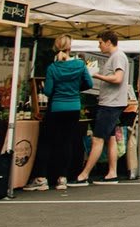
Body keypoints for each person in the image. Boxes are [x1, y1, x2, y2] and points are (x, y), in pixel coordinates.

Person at [25, 36, 93, 192]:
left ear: (55, 48)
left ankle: (42, 178)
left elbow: (48, 91)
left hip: (56, 107)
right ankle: (62, 177)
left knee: (47, 142)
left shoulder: (53, 68)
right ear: (70, 48)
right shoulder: (80, 65)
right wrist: (75, 89)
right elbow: (89, 83)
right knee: (67, 142)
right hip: (74, 106)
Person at [78, 31, 133, 183]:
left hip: (111, 104)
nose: (99, 45)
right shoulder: (115, 57)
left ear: (109, 42)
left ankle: (84, 175)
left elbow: (118, 78)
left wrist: (96, 75)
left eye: (100, 42)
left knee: (97, 139)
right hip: (111, 102)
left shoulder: (118, 57)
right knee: (110, 138)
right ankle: (112, 173)